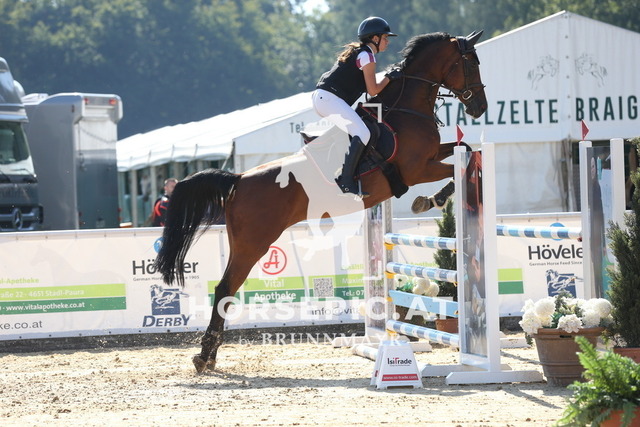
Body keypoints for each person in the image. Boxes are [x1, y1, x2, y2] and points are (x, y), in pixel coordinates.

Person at [312, 16, 402, 196]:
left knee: (360, 130)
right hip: (329, 99)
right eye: (385, 38)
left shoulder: (361, 53)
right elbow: (373, 90)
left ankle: (352, 173)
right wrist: (389, 77)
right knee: (363, 133)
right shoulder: (367, 56)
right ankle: (345, 181)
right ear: (375, 38)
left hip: (324, 99)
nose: (387, 42)